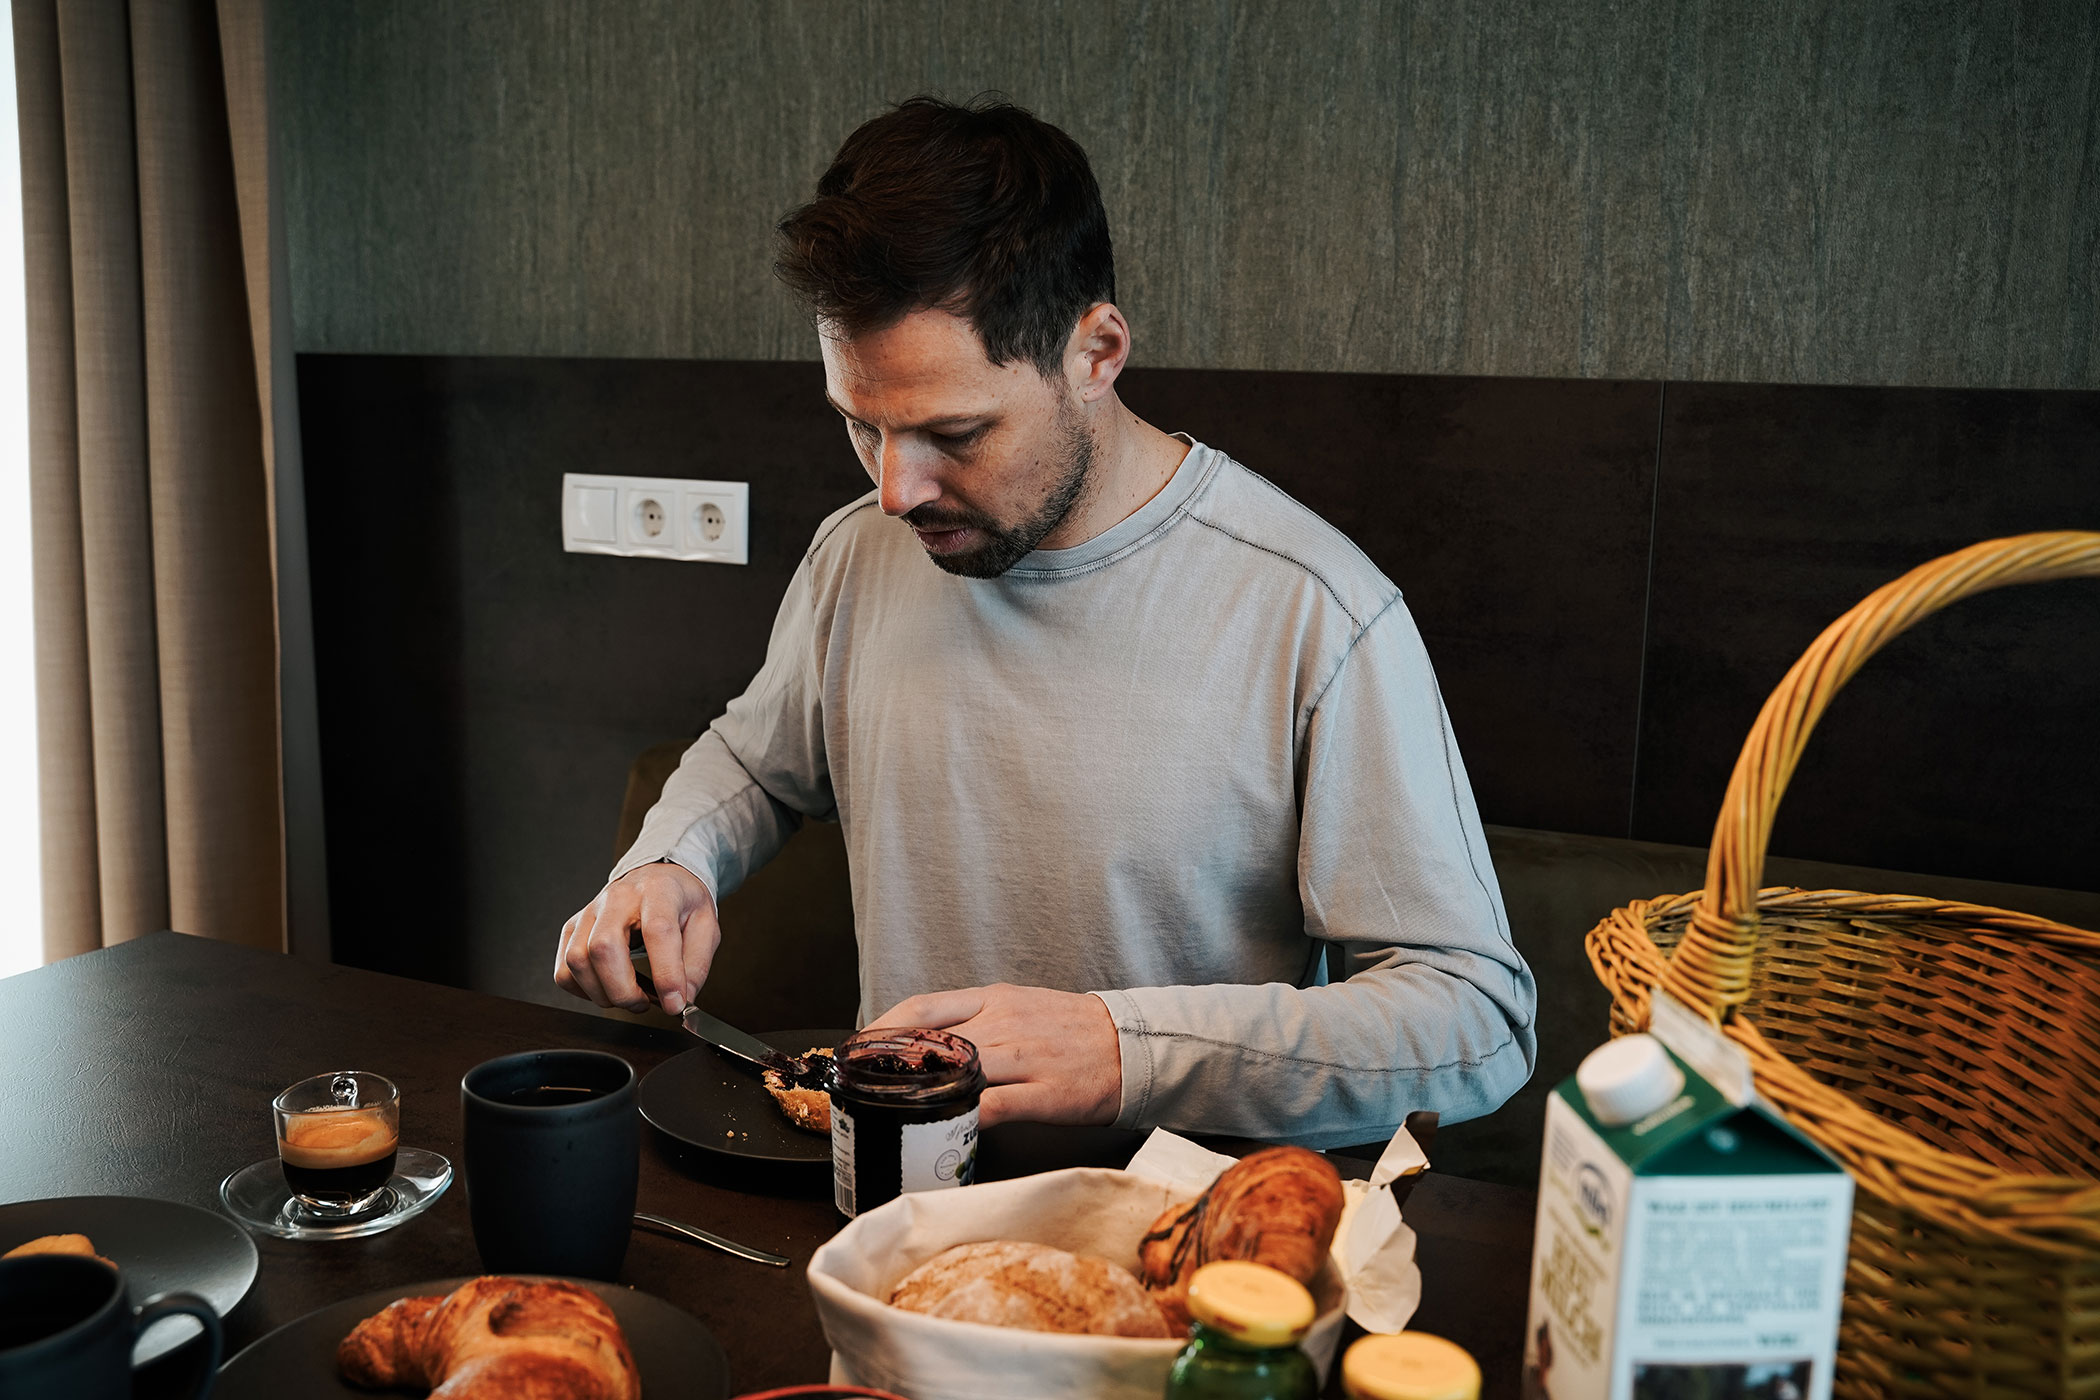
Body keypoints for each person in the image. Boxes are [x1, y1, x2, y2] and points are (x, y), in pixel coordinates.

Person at [555, 95, 1535, 1148]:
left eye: (953, 431)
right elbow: (756, 763)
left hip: (1174, 1251)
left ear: (1097, 352)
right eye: (861, 425)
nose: (895, 489)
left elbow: (1476, 1021)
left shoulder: (1316, 608)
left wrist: (1126, 1052)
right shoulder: (859, 552)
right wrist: (672, 858)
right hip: (890, 1212)